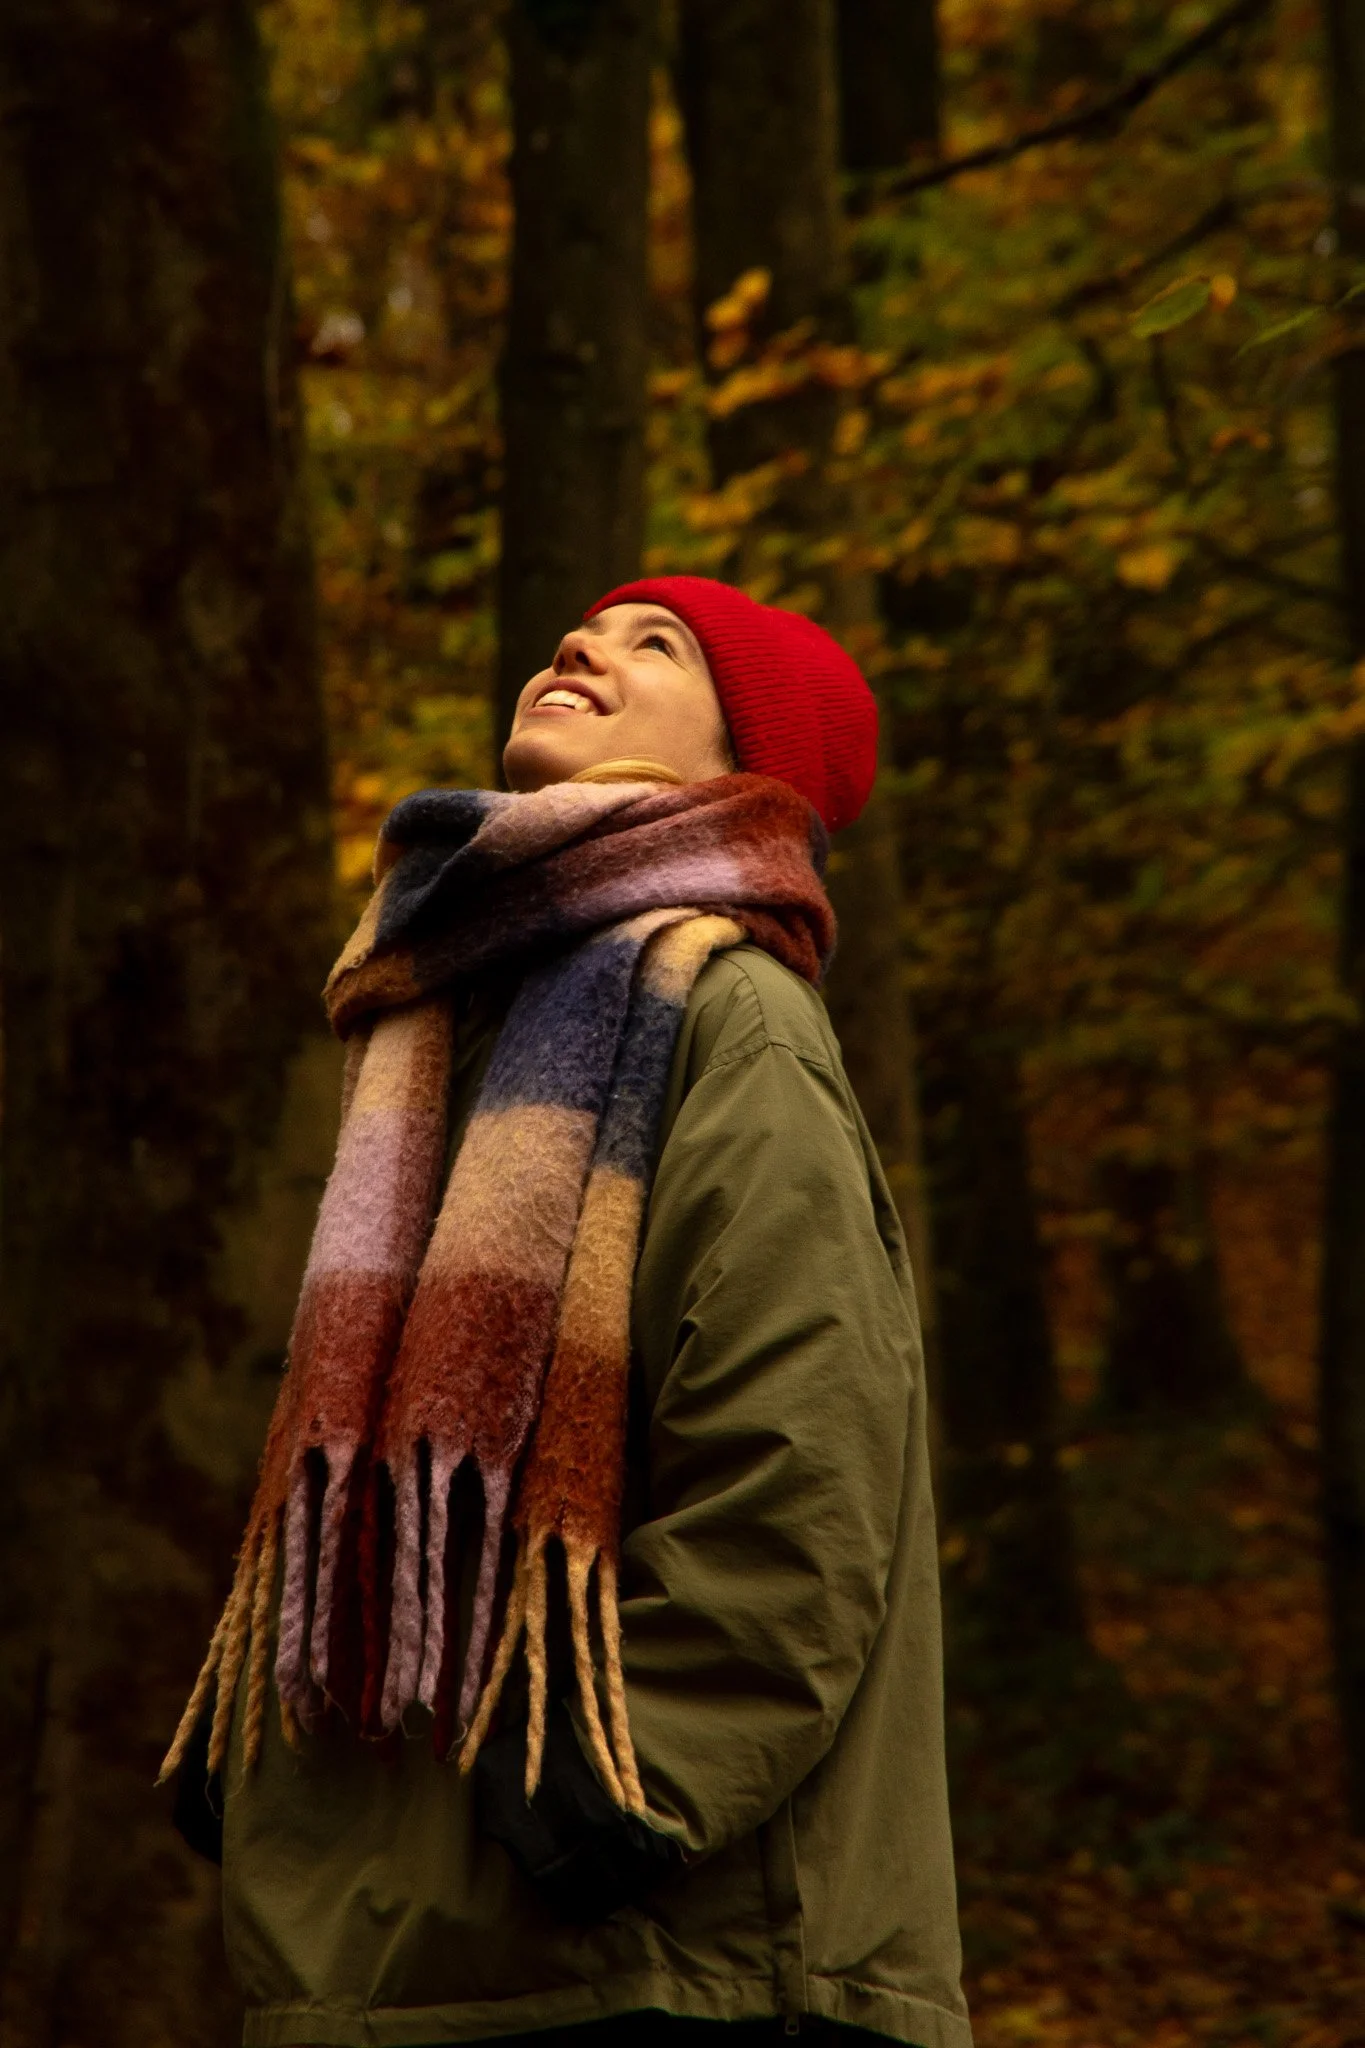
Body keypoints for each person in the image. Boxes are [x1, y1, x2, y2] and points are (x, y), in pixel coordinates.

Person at [164, 575, 972, 2048]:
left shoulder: (731, 1019)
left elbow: (804, 1466)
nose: (582, 643)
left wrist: (609, 1789)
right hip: (407, 1960)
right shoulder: (430, 1022)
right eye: (581, 628)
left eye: (655, 643)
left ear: (745, 767)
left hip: (665, 1962)